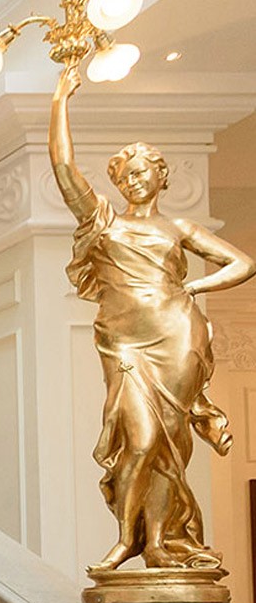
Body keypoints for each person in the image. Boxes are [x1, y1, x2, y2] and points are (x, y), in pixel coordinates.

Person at [49, 65, 254, 572]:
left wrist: (192, 287)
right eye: (125, 175)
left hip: (177, 335)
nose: (134, 180)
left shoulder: (180, 226)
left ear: (161, 175)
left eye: (143, 171)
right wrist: (60, 99)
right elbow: (63, 166)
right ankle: (126, 539)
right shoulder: (105, 221)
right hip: (124, 342)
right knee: (138, 442)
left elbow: (243, 263)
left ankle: (158, 542)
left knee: (170, 443)